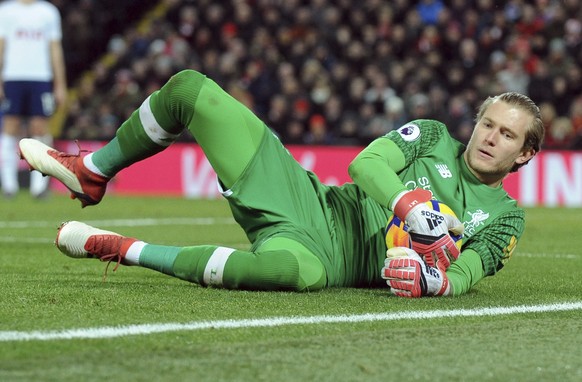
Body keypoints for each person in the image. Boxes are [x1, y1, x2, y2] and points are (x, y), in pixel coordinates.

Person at [18, 69, 543, 297]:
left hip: (337, 264)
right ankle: (93, 171)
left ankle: (123, 247)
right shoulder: (430, 136)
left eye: (506, 135)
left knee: (282, 271)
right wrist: (410, 205)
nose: (490, 138)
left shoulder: (505, 218)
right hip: (313, 201)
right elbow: (364, 165)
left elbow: (469, 269)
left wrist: (438, 282)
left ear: (525, 154)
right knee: (191, 91)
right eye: (487, 124)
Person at [0, 0, 67, 198]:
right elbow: (1, 46)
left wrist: (60, 83)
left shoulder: (48, 12)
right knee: (10, 127)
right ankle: (8, 185)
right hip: (12, 76)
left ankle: (39, 186)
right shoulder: (5, 11)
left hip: (41, 77)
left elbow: (55, 49)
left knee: (40, 128)